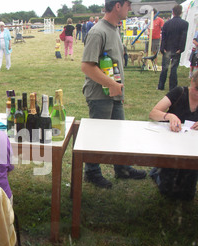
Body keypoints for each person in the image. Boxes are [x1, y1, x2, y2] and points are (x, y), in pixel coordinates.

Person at [81, 0, 147, 189]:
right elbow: (87, 66)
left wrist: (119, 91)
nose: (130, 9)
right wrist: (112, 84)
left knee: (119, 134)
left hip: (114, 94)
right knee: (97, 136)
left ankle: (122, 168)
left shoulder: (114, 29)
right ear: (117, 6)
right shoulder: (97, 31)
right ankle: (92, 172)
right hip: (99, 95)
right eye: (128, 5)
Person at [148, 72, 198, 200]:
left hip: (192, 150)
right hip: (171, 147)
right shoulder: (179, 92)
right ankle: (157, 172)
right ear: (191, 81)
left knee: (188, 195)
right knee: (167, 190)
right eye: (196, 89)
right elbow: (153, 113)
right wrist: (169, 116)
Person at [157, 4, 188, 91]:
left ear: (173, 12)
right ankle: (173, 86)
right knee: (174, 68)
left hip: (167, 48)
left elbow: (164, 37)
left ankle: (161, 85)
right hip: (177, 49)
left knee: (165, 68)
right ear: (181, 12)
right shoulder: (184, 24)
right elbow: (183, 37)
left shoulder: (167, 24)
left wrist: (163, 48)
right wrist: (181, 49)